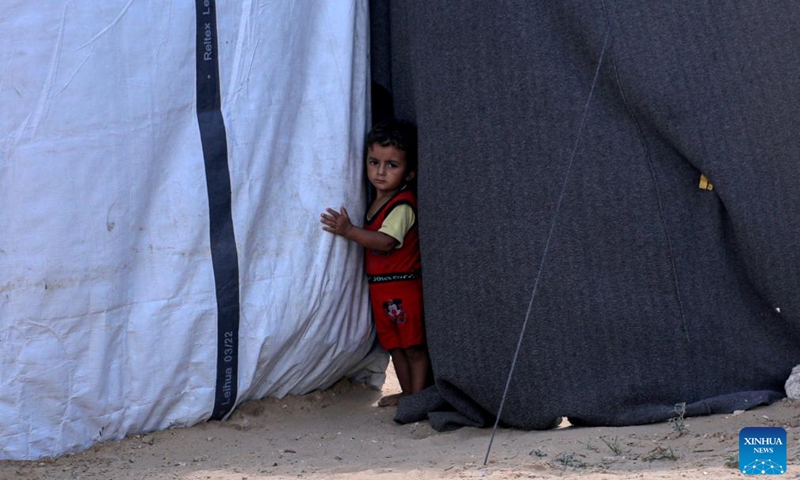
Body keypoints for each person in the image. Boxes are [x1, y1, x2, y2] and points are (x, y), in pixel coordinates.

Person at [320, 120, 431, 407]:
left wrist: (349, 231)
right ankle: (409, 394)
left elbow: (386, 241)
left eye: (392, 165)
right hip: (382, 288)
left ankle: (418, 398)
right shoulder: (374, 202)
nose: (380, 171)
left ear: (409, 172)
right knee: (395, 346)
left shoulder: (402, 205)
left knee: (414, 346)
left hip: (404, 287)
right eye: (374, 162)